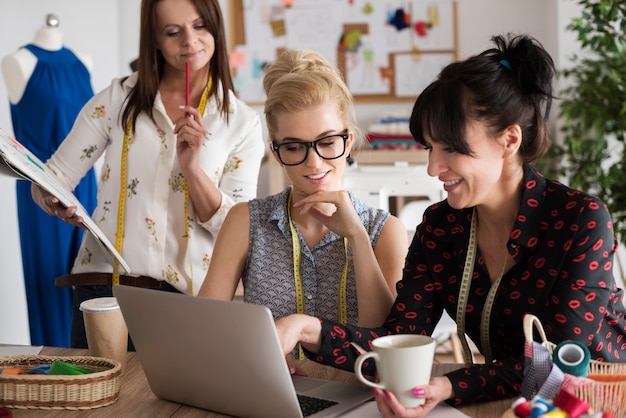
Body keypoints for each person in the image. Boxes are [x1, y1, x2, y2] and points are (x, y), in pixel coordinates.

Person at [275, 33, 626, 416]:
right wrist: (306, 328)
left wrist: (445, 385)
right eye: (430, 147)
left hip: (600, 401)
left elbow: (556, 363)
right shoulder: (442, 227)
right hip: (513, 403)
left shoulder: (579, 220)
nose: (432, 168)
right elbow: (396, 339)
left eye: (451, 148)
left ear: (509, 140)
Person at [31, 0, 265, 348]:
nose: (190, 41)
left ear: (216, 26)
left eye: (200, 26)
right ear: (154, 39)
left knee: (174, 404)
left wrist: (192, 170)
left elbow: (238, 227)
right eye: (173, 32)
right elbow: (52, 177)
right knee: (94, 400)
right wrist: (52, 199)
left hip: (186, 302)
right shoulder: (118, 98)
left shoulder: (242, 122)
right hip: (102, 290)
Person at [198, 49, 407, 335]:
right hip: (268, 380)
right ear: (275, 152)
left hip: (356, 381)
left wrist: (358, 237)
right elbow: (204, 327)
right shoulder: (246, 222)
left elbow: (388, 341)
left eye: (327, 142)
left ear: (348, 142)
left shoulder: (384, 232)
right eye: (294, 147)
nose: (314, 162)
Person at [1, 15, 97, 347]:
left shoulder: (84, 62)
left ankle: (92, 363)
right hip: (41, 187)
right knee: (48, 281)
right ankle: (52, 367)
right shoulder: (17, 62)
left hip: (86, 183)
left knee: (91, 277)